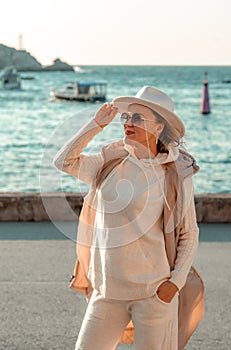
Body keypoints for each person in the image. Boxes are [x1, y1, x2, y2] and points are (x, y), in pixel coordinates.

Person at [53, 86, 201, 350]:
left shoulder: (174, 175)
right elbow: (63, 162)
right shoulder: (109, 162)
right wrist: (94, 125)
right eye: (127, 117)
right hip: (106, 291)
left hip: (153, 295)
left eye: (138, 118)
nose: (128, 123)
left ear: (159, 128)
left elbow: (189, 232)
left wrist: (173, 285)